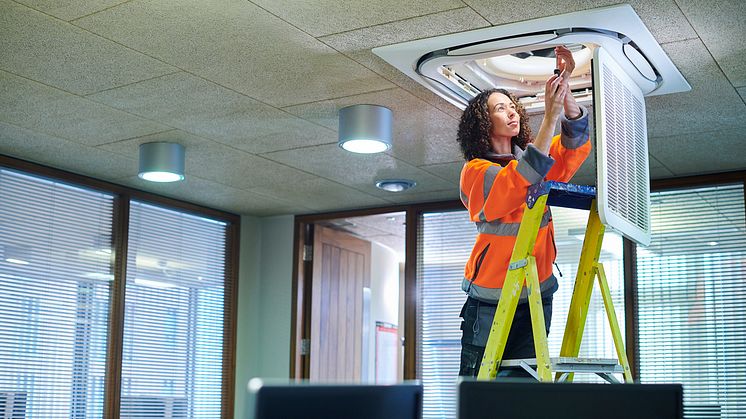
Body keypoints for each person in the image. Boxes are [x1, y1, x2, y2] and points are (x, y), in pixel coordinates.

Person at [456, 46, 591, 377]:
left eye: (512, 106)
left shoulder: (530, 162)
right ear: (484, 122)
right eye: (501, 109)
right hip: (491, 299)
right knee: (480, 390)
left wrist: (565, 89)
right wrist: (549, 115)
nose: (513, 113)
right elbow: (519, 180)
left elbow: (571, 148)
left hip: (535, 293)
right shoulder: (476, 172)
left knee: (524, 390)